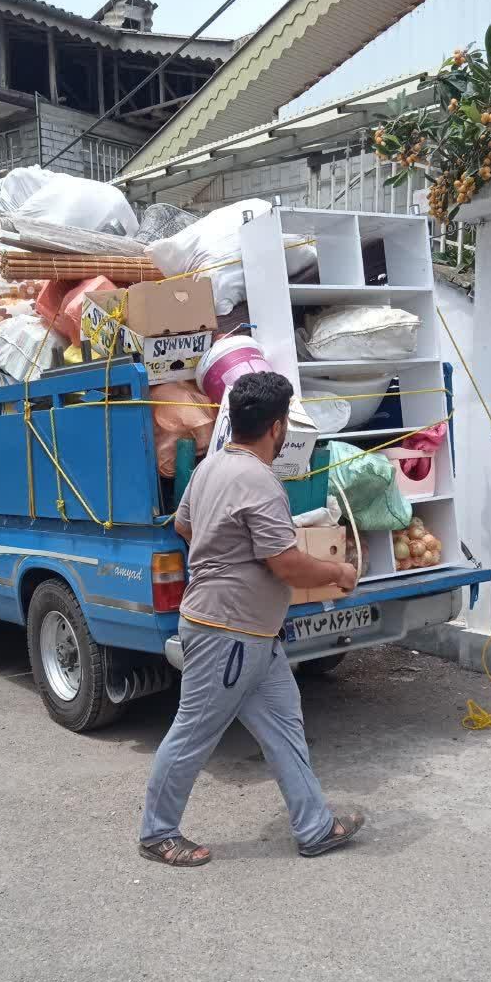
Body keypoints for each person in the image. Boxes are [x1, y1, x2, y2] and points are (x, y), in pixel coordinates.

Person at [139, 371, 365, 867]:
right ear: (278, 427)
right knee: (194, 731)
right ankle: (157, 833)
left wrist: (219, 550)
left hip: (254, 635)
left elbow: (183, 525)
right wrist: (339, 573)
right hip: (228, 634)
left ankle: (315, 827)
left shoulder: (209, 468)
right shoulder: (261, 482)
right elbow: (284, 562)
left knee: (286, 729)